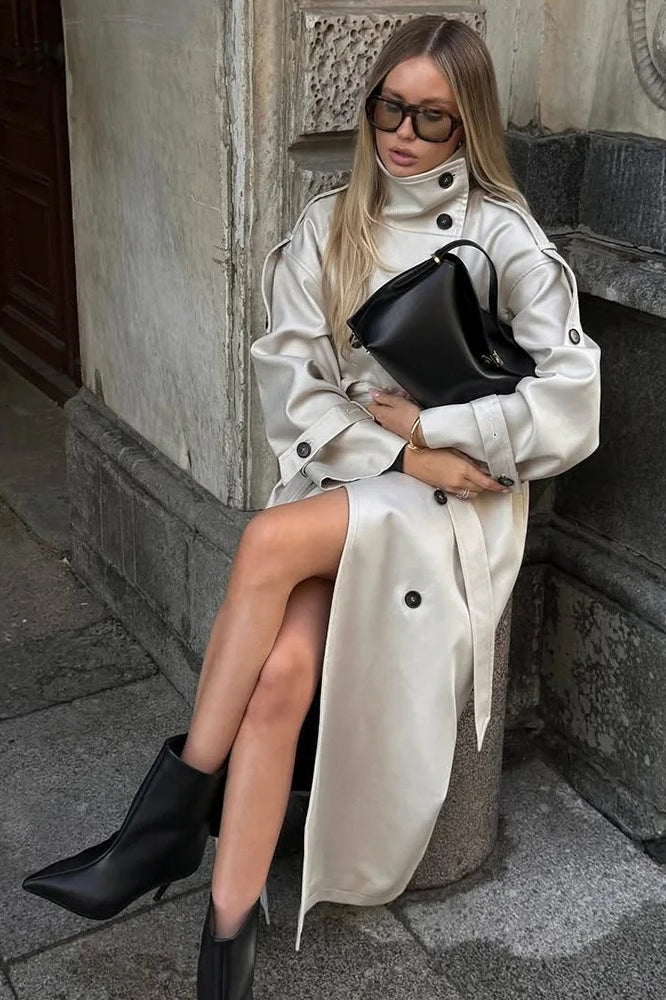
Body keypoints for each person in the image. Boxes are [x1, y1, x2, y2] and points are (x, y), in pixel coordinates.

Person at [21, 14, 601, 1000]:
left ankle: (158, 830)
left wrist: (440, 434)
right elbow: (291, 388)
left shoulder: (504, 233)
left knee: (266, 539)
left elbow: (574, 402)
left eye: (433, 118)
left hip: (450, 506)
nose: (405, 133)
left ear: (469, 126)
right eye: (390, 107)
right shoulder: (330, 224)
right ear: (369, 103)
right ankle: (226, 934)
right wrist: (401, 446)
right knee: (282, 673)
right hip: (354, 476)